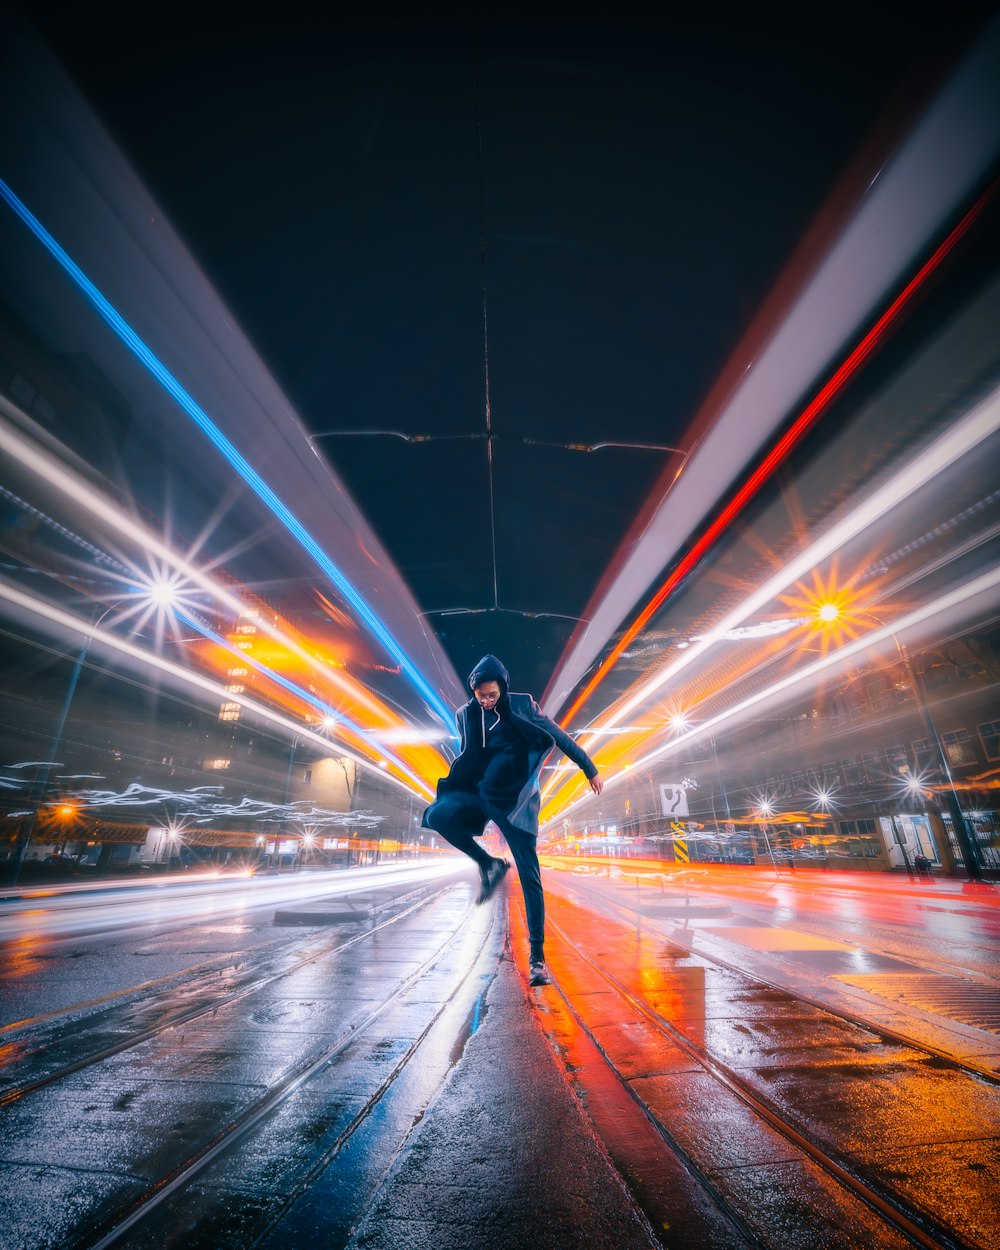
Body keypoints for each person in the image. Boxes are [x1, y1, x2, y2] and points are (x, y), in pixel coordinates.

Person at [422, 654, 603, 986]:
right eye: (482, 696)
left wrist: (588, 768)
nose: (488, 701)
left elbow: (559, 736)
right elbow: (469, 754)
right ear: (473, 692)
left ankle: (538, 959)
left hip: (516, 799)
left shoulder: (523, 706)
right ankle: (488, 863)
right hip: (481, 793)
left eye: (493, 695)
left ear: (502, 688)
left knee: (530, 874)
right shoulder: (466, 714)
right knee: (438, 815)